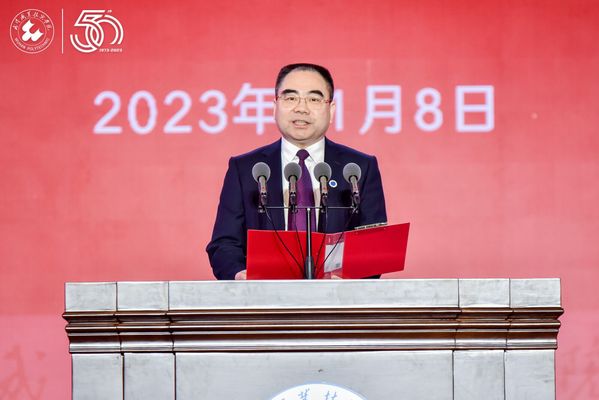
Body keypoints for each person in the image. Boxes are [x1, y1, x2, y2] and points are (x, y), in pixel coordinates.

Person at [206, 63, 387, 280]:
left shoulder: (359, 168)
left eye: (314, 99)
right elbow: (224, 244)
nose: (301, 108)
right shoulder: (245, 169)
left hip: (338, 297)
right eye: (291, 98)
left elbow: (374, 245)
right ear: (274, 107)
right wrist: (239, 275)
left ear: (331, 110)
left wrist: (352, 278)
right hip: (264, 295)